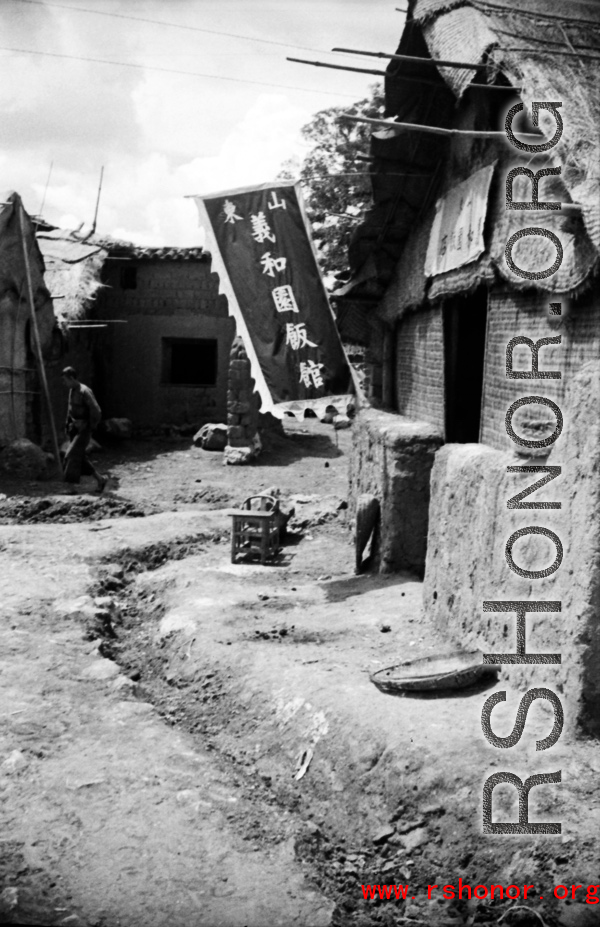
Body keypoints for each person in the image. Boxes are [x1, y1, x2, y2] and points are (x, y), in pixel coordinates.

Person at [61, 366, 107, 493]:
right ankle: (100, 479)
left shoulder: (84, 391)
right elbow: (70, 411)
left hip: (84, 430)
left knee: (70, 455)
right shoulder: (72, 390)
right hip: (74, 429)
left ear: (72, 378)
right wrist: (67, 425)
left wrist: (89, 426)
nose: (64, 383)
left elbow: (96, 411)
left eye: (65, 380)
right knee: (79, 457)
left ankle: (71, 487)